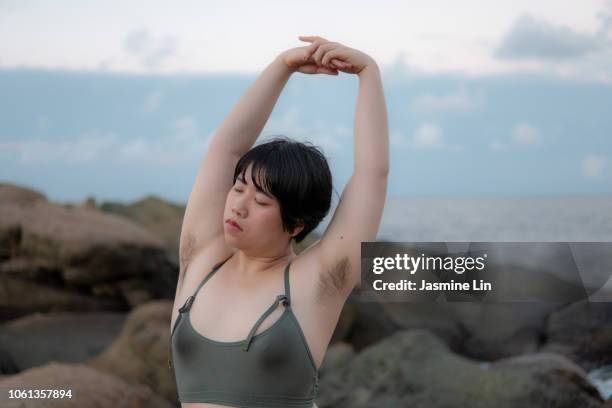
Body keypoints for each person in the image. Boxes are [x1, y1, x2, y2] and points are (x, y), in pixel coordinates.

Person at [169, 35, 389, 408]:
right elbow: (227, 149)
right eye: (238, 189)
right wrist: (282, 67)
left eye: (260, 201)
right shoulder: (201, 257)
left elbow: (372, 174)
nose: (238, 206)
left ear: (297, 224)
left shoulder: (317, 281)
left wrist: (368, 72)